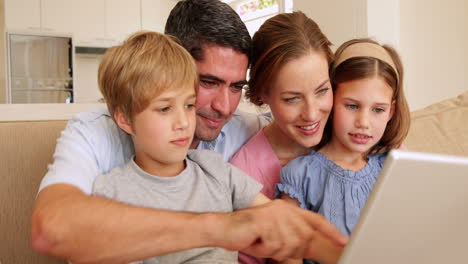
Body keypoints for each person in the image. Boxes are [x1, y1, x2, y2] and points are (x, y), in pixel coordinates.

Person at [31, 1, 347, 263]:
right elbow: (53, 229)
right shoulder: (95, 135)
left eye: (237, 86)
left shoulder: (242, 132)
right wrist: (220, 228)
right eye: (208, 83)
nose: (225, 107)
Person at [94, 30, 273, 263]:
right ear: (125, 119)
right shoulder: (111, 195)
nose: (183, 123)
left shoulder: (214, 169)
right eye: (164, 109)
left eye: (189, 105)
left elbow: (276, 219)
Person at [276, 38, 411, 263]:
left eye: (378, 109)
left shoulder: (393, 166)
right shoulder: (301, 175)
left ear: (391, 111)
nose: (363, 122)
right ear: (331, 99)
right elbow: (290, 254)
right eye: (352, 106)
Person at [229, 12, 340, 264]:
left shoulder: (353, 133)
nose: (312, 113)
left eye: (322, 91)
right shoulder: (245, 176)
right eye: (292, 99)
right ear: (263, 94)